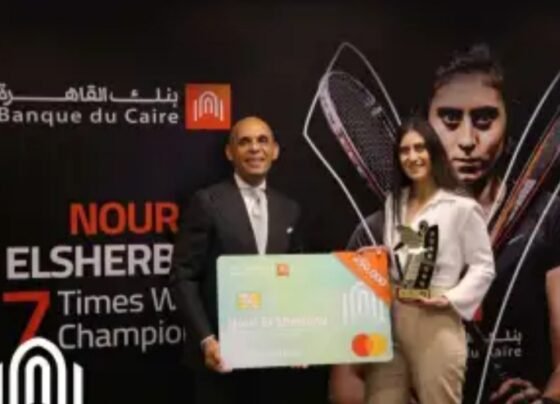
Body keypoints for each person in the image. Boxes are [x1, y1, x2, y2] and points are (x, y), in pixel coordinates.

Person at [428, 44, 560, 403]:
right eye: (450, 119)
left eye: (485, 120)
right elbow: (350, 380)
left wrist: (548, 400)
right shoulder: (379, 228)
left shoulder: (550, 218)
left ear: (508, 124)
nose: (467, 140)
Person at [169, 116, 316, 404]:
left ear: (275, 150)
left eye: (263, 141)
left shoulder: (289, 209)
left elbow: (297, 278)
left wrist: (300, 337)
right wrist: (206, 340)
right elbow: (183, 276)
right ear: (230, 152)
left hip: (275, 360)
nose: (255, 148)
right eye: (244, 142)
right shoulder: (207, 202)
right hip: (222, 358)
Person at [363, 116, 495, 404]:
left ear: (433, 152)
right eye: (404, 150)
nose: (412, 157)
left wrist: (450, 298)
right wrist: (378, 256)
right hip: (390, 321)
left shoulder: (460, 207)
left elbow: (484, 266)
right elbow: (404, 254)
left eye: (419, 148)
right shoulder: (394, 202)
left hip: (436, 322)